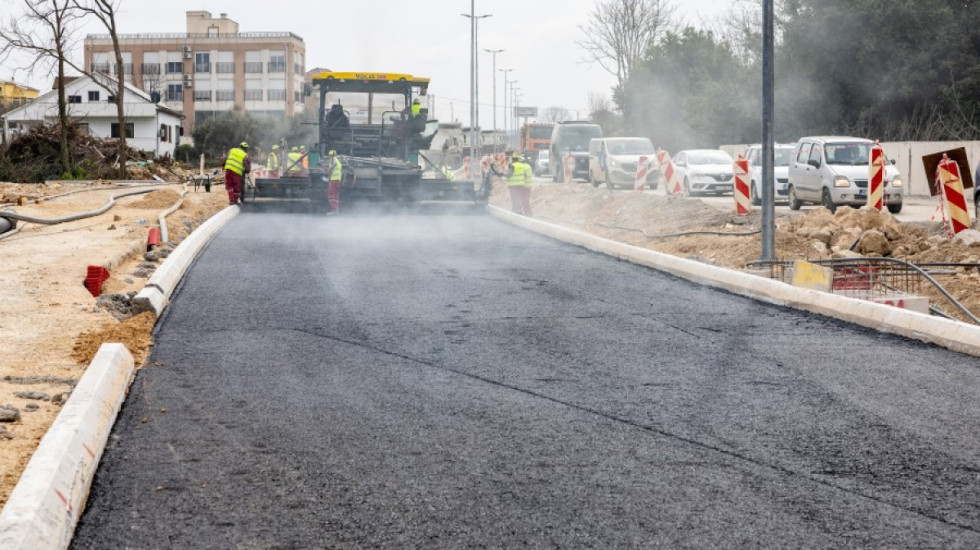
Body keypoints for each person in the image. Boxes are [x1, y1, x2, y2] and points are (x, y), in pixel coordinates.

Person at [326, 150, 342, 214]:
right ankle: (336, 210)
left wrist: (329, 169)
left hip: (334, 180)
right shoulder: (337, 160)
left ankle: (334, 209)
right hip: (337, 180)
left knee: (331, 194)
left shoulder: (334, 159)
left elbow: (333, 164)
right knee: (335, 195)